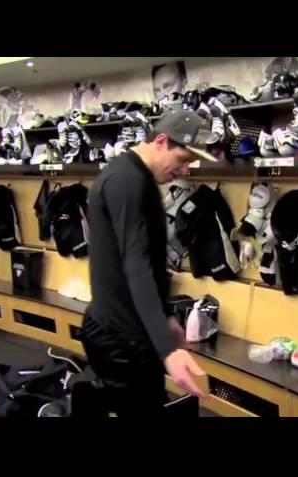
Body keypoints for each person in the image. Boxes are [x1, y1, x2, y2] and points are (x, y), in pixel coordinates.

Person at [81, 110, 218, 417]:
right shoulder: (127, 180)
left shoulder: (138, 179)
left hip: (130, 332)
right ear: (160, 141)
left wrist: (167, 317)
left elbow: (152, 263)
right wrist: (167, 349)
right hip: (120, 339)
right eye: (182, 159)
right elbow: (136, 264)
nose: (185, 170)